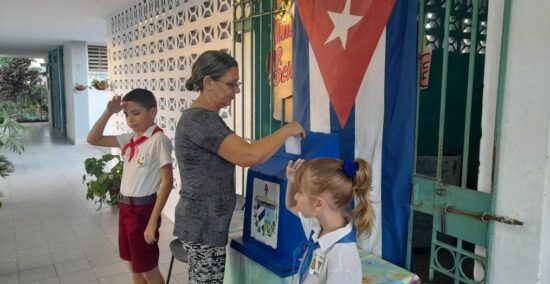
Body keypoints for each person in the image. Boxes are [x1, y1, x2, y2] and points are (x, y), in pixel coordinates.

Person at [174, 50, 305, 283]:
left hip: (201, 222)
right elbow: (249, 155)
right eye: (231, 84)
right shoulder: (202, 120)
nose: (236, 91)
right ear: (208, 82)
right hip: (204, 226)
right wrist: (288, 129)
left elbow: (243, 152)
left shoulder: (203, 117)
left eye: (238, 84)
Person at [87, 89, 173, 284]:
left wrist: (152, 222)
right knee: (134, 267)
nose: (130, 119)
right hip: (126, 209)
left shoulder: (158, 140)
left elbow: (167, 183)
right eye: (126, 114)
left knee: (148, 270)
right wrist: (109, 112)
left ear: (152, 113)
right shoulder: (130, 138)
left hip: (143, 211)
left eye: (136, 113)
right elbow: (93, 139)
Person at [285, 158, 374, 284]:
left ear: (318, 204)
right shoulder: (318, 226)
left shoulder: (341, 259)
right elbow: (292, 205)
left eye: (300, 192)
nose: (295, 195)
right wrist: (292, 182)